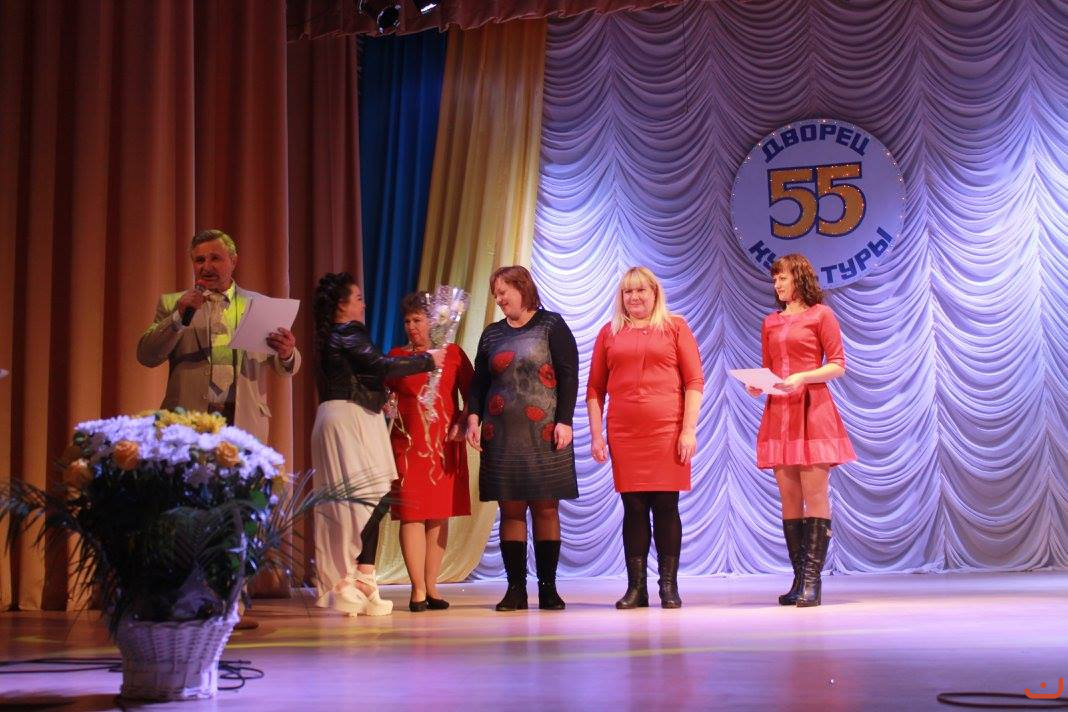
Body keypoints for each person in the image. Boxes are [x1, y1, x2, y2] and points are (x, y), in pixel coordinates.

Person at [311, 273, 445, 617]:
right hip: (349, 417)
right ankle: (347, 580)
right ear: (342, 305)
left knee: (374, 496)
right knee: (358, 499)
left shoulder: (338, 335)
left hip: (353, 415)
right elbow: (380, 365)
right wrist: (428, 360)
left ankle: (365, 578)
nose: (364, 303)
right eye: (358, 298)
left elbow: (367, 372)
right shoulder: (347, 332)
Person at [587, 267, 704, 609]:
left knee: (666, 506)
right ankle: (636, 589)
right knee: (634, 507)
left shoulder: (675, 327)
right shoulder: (609, 332)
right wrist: (596, 435)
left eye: (641, 290)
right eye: (628, 291)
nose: (634, 297)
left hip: (667, 429)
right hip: (624, 433)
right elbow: (595, 388)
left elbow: (694, 381)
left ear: (655, 294)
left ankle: (669, 587)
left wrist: (688, 429)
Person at [465, 266, 579, 612]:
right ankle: (515, 589)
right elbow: (478, 382)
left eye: (503, 292)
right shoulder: (491, 334)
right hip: (502, 434)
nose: (499, 300)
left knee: (546, 508)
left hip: (544, 432)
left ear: (522, 287)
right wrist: (473, 417)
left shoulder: (552, 325)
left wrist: (564, 421)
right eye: (496, 295)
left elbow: (568, 375)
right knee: (510, 509)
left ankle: (548, 589)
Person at [747, 253, 856, 608]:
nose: (777, 284)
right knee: (790, 497)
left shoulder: (821, 315)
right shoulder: (770, 322)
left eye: (782, 278)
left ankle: (813, 581)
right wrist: (758, 384)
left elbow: (838, 365)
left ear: (799, 278)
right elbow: (769, 368)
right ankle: (798, 579)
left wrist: (803, 377)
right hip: (780, 412)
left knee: (815, 493)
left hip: (813, 410)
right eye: (774, 279)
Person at [137, 228, 299, 443]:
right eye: (199, 260)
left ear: (233, 261)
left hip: (244, 422)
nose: (206, 267)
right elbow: (147, 355)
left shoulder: (258, 304)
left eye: (215, 258)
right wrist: (178, 317)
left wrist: (287, 353)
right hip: (186, 422)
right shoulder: (174, 303)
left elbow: (286, 367)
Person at [385, 292, 474, 612]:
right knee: (411, 514)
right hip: (408, 444)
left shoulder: (452, 354)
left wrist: (463, 422)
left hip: (442, 445)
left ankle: (432, 586)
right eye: (407, 321)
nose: (411, 326)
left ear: (432, 322)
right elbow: (383, 394)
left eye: (418, 320)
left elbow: (473, 395)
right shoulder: (397, 356)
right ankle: (417, 589)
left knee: (438, 515)